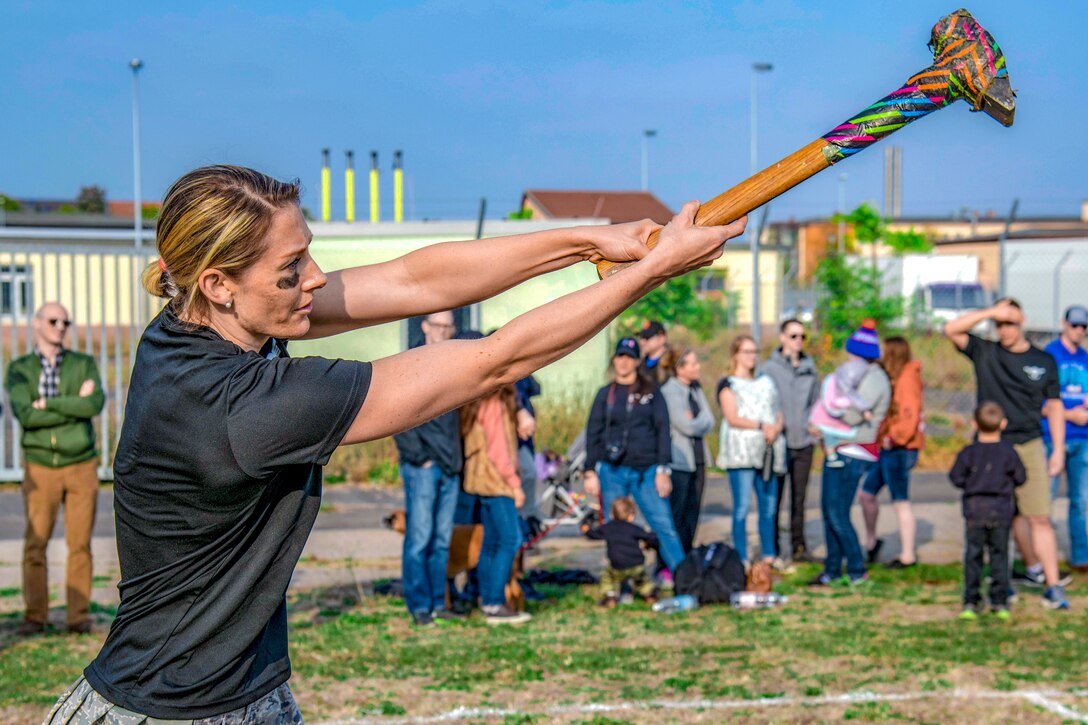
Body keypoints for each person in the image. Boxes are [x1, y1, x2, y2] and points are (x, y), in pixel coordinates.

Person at [43, 165, 746, 722]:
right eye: (291, 271)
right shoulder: (242, 407)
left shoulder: (189, 326)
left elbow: (416, 278)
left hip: (240, 691)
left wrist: (597, 240)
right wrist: (647, 273)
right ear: (219, 283)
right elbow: (491, 360)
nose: (314, 278)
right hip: (172, 710)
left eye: (307, 255)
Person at [944, 298, 1069, 610]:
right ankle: (1006, 581)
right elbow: (951, 329)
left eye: (1010, 322)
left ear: (1022, 320)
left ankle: (1052, 586)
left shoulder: (1043, 361)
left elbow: (1054, 407)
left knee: (1038, 516)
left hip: (1029, 444)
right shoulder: (985, 351)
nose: (1004, 329)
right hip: (990, 447)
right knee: (1003, 519)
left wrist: (1058, 452)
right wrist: (990, 312)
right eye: (999, 324)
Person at [5, 302, 105, 636]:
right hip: (41, 466)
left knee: (80, 544)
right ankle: (35, 616)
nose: (60, 326)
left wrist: (47, 403)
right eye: (53, 320)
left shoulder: (83, 363)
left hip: (81, 464)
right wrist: (71, 406)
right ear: (36, 324)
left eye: (65, 321)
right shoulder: (19, 369)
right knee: (36, 543)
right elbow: (25, 415)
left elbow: (93, 403)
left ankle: (78, 618)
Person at [583, 337, 686, 578]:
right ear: (614, 360)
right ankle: (620, 583)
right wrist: (589, 471)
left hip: (646, 472)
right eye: (620, 356)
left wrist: (663, 469)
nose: (624, 362)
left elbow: (663, 430)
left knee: (664, 526)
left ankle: (684, 578)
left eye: (629, 357)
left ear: (637, 361)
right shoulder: (604, 394)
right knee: (615, 529)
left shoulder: (651, 392)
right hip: (612, 471)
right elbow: (593, 433)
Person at [392, 310, 462, 626]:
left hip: (450, 466)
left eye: (448, 326)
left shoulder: (455, 365)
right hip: (422, 466)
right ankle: (420, 605)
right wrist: (420, 457)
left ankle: (439, 601)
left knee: (442, 539)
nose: (443, 331)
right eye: (438, 325)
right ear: (425, 326)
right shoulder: (410, 364)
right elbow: (396, 415)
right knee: (419, 538)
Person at [808, 321, 890, 587]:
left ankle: (855, 568)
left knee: (837, 512)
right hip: (842, 447)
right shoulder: (861, 372)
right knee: (830, 511)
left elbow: (852, 414)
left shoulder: (873, 377)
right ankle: (832, 569)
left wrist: (822, 421)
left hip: (854, 450)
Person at [459, 379, 529, 625]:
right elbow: (498, 451)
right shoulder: (493, 402)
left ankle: (487, 599)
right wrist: (515, 485)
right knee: (511, 539)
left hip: (482, 480)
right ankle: (496, 604)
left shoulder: (478, 399)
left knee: (491, 541)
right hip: (496, 480)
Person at [950, 401, 1026, 620]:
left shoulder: (969, 453)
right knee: (999, 556)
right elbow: (1020, 477)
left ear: (974, 424)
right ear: (1003, 424)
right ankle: (999, 600)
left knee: (973, 555)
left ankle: (971, 600)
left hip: (975, 510)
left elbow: (956, 477)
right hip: (1001, 511)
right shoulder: (1008, 452)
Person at [716, 335, 785, 567]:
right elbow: (732, 417)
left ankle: (769, 555)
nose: (752, 356)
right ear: (736, 354)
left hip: (767, 450)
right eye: (746, 351)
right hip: (741, 453)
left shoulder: (767, 382)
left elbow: (776, 409)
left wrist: (775, 427)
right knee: (742, 508)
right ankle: (742, 557)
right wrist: (760, 426)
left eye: (754, 351)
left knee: (769, 505)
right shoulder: (729, 384)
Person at [859, 336, 925, 568]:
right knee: (866, 494)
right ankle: (871, 542)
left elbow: (910, 415)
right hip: (885, 448)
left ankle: (908, 555)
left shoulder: (907, 378)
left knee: (900, 501)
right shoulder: (892, 377)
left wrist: (894, 437)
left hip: (899, 448)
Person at [762, 318, 820, 563]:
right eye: (794, 336)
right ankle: (772, 548)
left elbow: (816, 401)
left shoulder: (810, 367)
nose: (799, 341)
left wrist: (814, 422)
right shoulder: (768, 369)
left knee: (799, 498)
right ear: (783, 338)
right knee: (775, 496)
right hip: (780, 442)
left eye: (802, 337)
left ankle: (798, 547)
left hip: (803, 441)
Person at [1043, 305, 1088, 572]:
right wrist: (1069, 415)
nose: (1080, 331)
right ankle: (1042, 557)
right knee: (1045, 499)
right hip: (1053, 437)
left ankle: (1081, 557)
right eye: (1075, 325)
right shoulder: (1050, 355)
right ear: (1064, 324)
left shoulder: (1085, 358)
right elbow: (1038, 401)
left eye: (1084, 327)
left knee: (1080, 501)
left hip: (1083, 438)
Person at [661, 348, 715, 553]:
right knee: (678, 513)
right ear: (679, 368)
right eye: (692, 363)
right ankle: (672, 560)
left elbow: (709, 421)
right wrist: (695, 422)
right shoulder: (670, 392)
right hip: (679, 462)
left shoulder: (696, 390)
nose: (697, 367)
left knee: (693, 512)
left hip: (699, 460)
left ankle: (688, 556)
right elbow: (686, 426)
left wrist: (696, 420)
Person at [583, 496, 659, 607]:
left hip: (616, 566)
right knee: (642, 580)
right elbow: (652, 537)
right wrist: (648, 544)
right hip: (636, 564)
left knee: (606, 578)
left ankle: (610, 597)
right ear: (632, 516)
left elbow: (593, 534)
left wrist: (586, 528)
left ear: (611, 515)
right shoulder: (634, 528)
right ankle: (650, 596)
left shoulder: (608, 528)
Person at [638, 319, 670, 384]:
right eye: (641, 337)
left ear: (662, 338)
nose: (642, 342)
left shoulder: (673, 364)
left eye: (647, 337)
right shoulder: (639, 365)